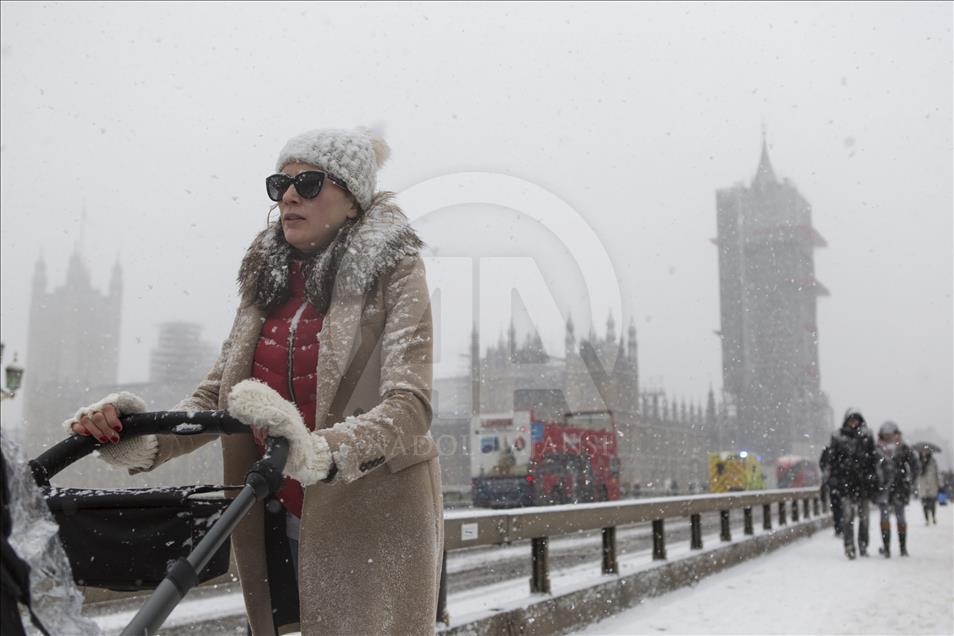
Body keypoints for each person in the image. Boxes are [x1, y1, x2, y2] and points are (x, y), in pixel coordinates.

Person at [63, 127, 443, 635]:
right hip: (271, 510)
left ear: (353, 201)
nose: (288, 195)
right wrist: (140, 434)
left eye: (308, 183)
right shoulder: (265, 280)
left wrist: (321, 452)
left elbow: (409, 406)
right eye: (279, 184)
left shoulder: (395, 270)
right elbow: (217, 395)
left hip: (369, 517)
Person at [827, 410, 879, 559]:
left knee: (864, 518)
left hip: (863, 483)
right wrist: (835, 478)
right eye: (851, 420)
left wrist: (872, 478)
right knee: (848, 517)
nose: (854, 423)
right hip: (846, 483)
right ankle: (849, 546)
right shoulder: (838, 438)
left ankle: (863, 545)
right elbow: (833, 461)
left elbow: (872, 460)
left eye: (856, 420)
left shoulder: (867, 437)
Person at [874, 421, 919, 557]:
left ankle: (902, 548)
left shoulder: (904, 449)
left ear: (896, 435)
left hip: (900, 488)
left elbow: (915, 466)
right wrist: (875, 481)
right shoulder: (877, 450)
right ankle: (887, 548)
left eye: (891, 434)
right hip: (883, 489)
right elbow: (872, 468)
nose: (889, 437)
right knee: (884, 518)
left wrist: (909, 480)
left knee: (900, 518)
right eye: (886, 435)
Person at [819, 444, 843, 536]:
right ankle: (840, 526)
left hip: (833, 484)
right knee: (840, 506)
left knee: (836, 507)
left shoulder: (828, 451)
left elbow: (821, 464)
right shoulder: (841, 450)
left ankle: (838, 527)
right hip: (840, 484)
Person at [917, 448, 940, 525]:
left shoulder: (933, 461)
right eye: (923, 451)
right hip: (922, 485)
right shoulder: (918, 462)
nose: (924, 452)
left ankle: (933, 517)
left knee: (932, 503)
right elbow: (916, 473)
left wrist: (939, 483)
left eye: (926, 451)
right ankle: (926, 519)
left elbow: (937, 473)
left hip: (932, 484)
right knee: (924, 504)